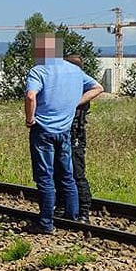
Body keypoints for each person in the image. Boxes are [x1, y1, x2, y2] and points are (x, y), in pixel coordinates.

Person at [25, 34, 103, 234]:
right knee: (67, 175)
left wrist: (29, 118)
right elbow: (98, 87)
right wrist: (75, 102)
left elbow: (31, 95)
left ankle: (46, 224)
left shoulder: (38, 70)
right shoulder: (75, 70)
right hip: (65, 130)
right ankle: (73, 218)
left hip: (42, 130)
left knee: (45, 177)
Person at [54, 55, 94, 223]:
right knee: (59, 171)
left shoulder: (82, 85)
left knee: (76, 172)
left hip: (74, 133)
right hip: (64, 132)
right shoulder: (72, 85)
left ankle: (83, 211)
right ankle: (63, 206)